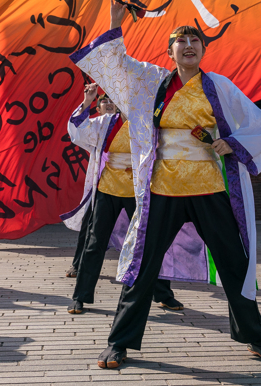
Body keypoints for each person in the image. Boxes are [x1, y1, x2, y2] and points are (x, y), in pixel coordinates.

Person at [71, 0, 261, 369]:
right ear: (170, 51)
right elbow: (117, 67)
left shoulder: (219, 86)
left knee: (234, 262)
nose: (188, 48)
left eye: (195, 43)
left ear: (204, 49)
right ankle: (119, 342)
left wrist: (230, 142)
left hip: (209, 187)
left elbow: (257, 123)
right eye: (181, 43)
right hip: (163, 188)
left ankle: (256, 336)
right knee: (142, 264)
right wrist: (114, 20)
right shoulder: (153, 81)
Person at [62, 83, 182, 314]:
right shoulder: (105, 122)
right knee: (95, 244)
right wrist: (87, 102)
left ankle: (163, 294)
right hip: (108, 189)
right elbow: (76, 131)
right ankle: (81, 296)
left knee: (149, 242)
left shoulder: (148, 123)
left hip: (139, 190)